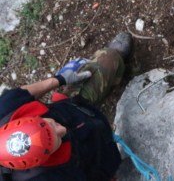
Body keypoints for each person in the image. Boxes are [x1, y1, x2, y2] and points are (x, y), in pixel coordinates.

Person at [0, 33, 132, 180]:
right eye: (56, 138)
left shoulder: (5, 109)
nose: (62, 129)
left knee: (109, 58)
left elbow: (25, 93)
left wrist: (59, 79)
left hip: (75, 108)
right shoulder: (44, 178)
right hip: (92, 162)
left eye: (50, 124)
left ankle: (117, 63)